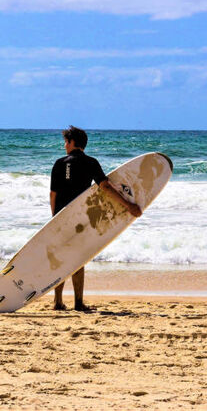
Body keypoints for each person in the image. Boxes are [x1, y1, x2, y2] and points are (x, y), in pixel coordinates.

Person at [50, 126, 142, 311]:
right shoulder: (91, 162)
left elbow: (53, 194)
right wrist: (128, 205)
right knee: (78, 259)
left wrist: (54, 218)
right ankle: (78, 302)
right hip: (81, 219)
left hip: (61, 217)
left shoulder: (60, 163)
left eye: (66, 142)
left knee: (61, 258)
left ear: (72, 142)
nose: (64, 146)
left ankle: (58, 302)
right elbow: (105, 187)